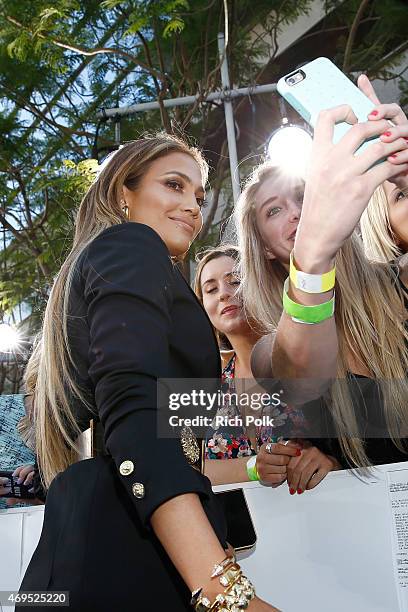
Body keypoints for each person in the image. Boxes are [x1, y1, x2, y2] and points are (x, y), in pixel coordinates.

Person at [18, 135, 277, 612]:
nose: (191, 206)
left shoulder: (108, 265)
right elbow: (138, 414)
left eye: (199, 196)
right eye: (174, 185)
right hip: (121, 554)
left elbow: (166, 436)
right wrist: (226, 592)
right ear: (123, 192)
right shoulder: (132, 244)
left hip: (89, 548)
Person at [234, 76, 408, 494]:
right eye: (275, 210)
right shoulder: (268, 352)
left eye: (303, 196)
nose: (298, 212)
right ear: (265, 250)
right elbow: (303, 378)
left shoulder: (399, 282)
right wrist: (334, 460)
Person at [194, 245, 340, 492]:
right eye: (211, 289)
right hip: (235, 526)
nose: (223, 294)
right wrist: (253, 467)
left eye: (235, 280)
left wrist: (333, 463)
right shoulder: (203, 381)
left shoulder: (305, 356)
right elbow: (187, 468)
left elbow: (356, 443)